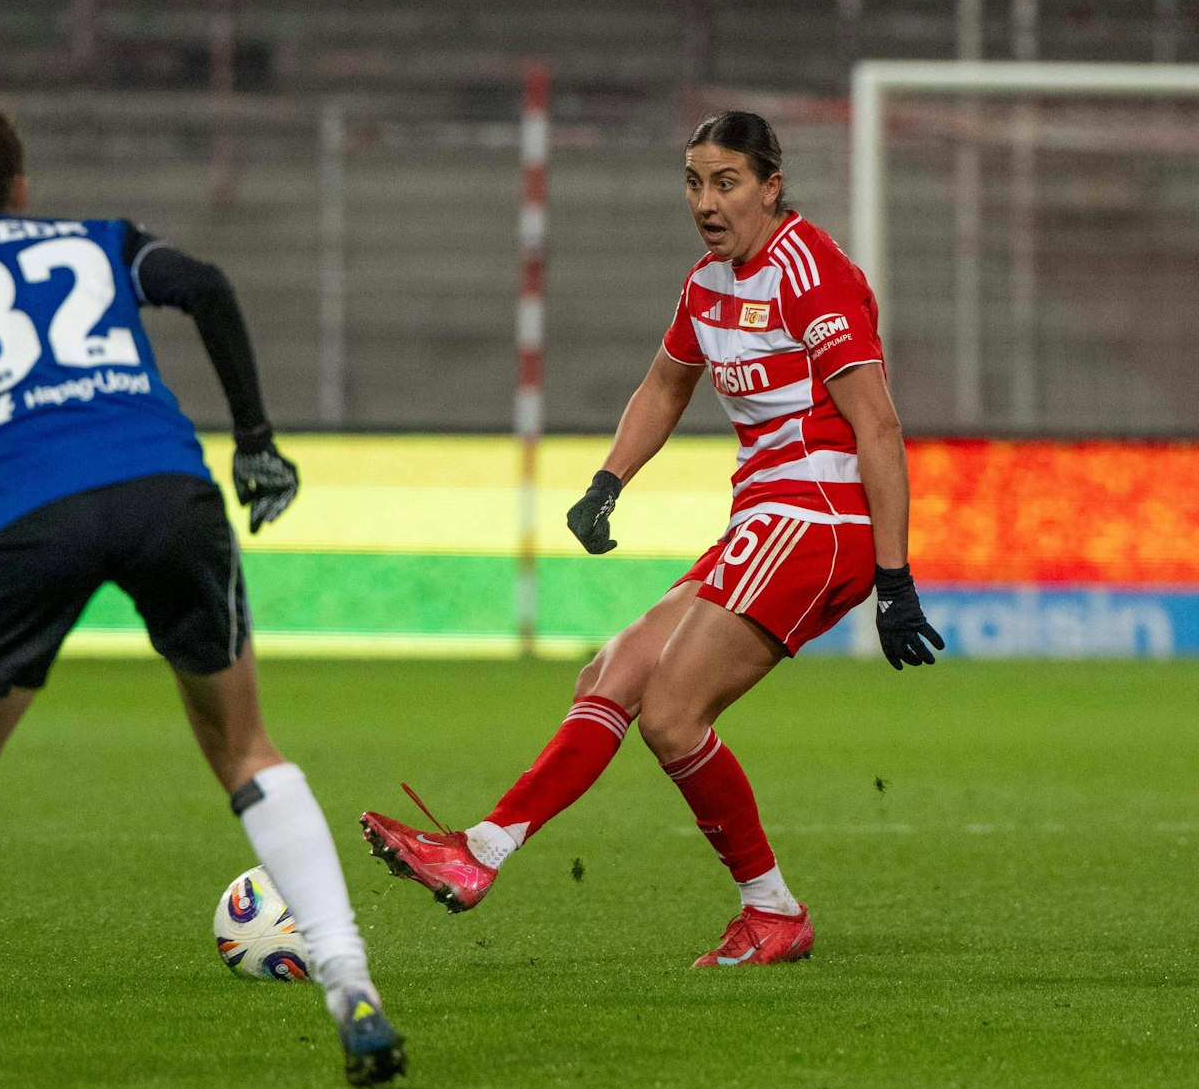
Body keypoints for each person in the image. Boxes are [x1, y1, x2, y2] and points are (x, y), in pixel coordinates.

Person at [0, 100, 405, 1089]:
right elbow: (204, 285)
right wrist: (253, 440)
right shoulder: (97, 240)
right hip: (167, 490)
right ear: (20, 189)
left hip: (23, 516)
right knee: (246, 750)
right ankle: (350, 984)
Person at [360, 110, 946, 968]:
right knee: (613, 671)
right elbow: (666, 385)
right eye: (694, 182)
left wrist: (895, 578)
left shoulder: (813, 273)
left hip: (821, 521)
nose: (707, 202)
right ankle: (481, 850)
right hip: (763, 519)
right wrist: (608, 481)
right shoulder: (707, 283)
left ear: (771, 187)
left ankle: (769, 912)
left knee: (672, 714)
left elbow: (881, 428)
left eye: (727, 182)